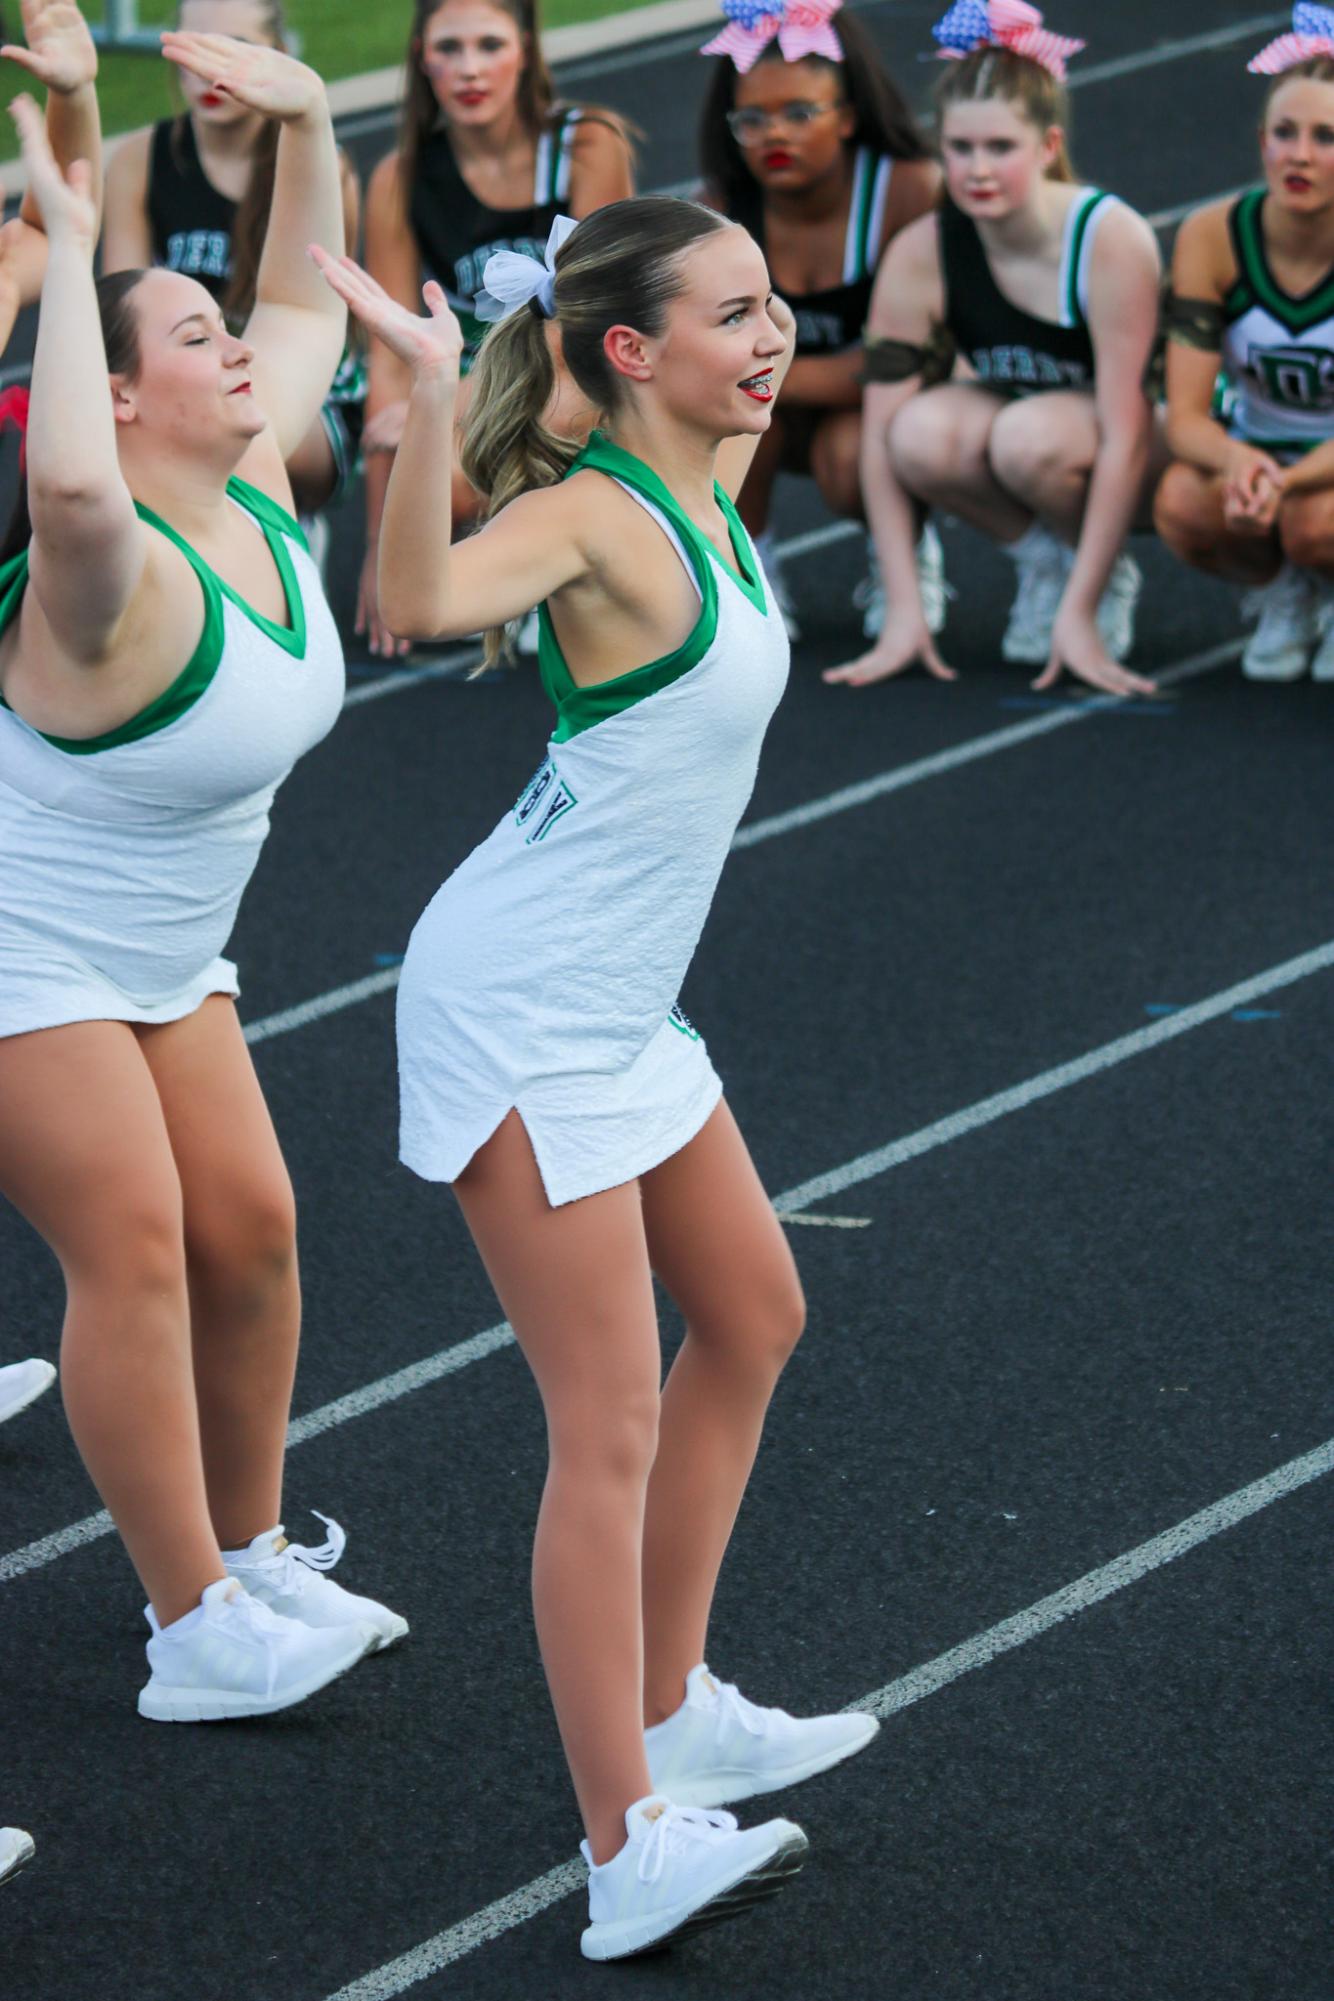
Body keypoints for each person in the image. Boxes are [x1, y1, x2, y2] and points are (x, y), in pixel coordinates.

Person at [313, 197, 878, 1959]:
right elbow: (407, 600)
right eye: (732, 313)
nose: (772, 333)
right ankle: (622, 1842)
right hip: (522, 1003)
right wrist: (405, 407)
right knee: (606, 1417)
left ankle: (669, 1692)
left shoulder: (693, 479)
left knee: (756, 1311)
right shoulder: (586, 512)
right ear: (632, 352)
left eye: (773, 301)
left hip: (617, 1003)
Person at [0, 32, 406, 1724]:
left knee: (254, 1232)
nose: (238, 348)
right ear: (119, 385)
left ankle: (253, 1554)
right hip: (28, 955)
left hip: (173, 952)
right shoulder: (95, 574)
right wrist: (74, 242)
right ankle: (187, 1630)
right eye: (190, 337)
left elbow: (308, 297)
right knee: (142, 1249)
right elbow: (72, 469)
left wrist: (312, 120)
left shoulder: (246, 476)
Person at [827, 1, 1161, 695]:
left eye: (1000, 148)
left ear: (1046, 146)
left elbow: (1128, 432)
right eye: (960, 148)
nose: (977, 169)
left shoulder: (1109, 239)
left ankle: (1096, 584)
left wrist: (1081, 612)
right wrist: (904, 610)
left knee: (1024, 435)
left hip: (1144, 450)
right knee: (917, 433)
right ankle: (1044, 561)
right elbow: (882, 431)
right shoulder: (923, 254)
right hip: (1033, 429)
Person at [358, 0, 635, 657]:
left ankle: (563, 569)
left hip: (578, 380)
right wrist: (378, 549)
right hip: (469, 392)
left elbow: (595, 316)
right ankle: (511, 568)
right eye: (449, 49)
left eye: (490, 45)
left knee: (570, 402)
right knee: (431, 473)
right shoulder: (398, 178)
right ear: (422, 57)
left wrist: (457, 400)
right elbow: (390, 355)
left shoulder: (587, 144)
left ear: (526, 52)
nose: (469, 69)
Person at [697, 0, 943, 639]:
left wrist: (763, 377)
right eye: (753, 119)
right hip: (765, 413)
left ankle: (906, 561)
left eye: (801, 113)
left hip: (887, 410)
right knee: (720, 419)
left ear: (849, 118)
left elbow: (908, 360)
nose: (775, 135)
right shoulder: (722, 210)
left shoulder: (908, 192)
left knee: (847, 453)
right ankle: (748, 566)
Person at [101, 0, 363, 533]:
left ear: (280, 55)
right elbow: (120, 314)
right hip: (185, 389)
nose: (209, 69)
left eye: (236, 48)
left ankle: (273, 560)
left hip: (304, 396)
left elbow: (323, 310)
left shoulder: (319, 166)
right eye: (194, 46)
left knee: (229, 444)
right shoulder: (137, 161)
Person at [1154, 6, 1334, 681]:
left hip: (1316, 470)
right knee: (1180, 503)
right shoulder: (1214, 234)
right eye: (1285, 133)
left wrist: (1283, 481)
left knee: (1317, 525)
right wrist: (1238, 464)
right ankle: (1284, 594)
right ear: (1262, 141)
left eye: (1326, 136)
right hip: (1258, 450)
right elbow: (1187, 417)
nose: (1300, 154)